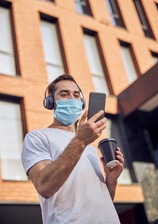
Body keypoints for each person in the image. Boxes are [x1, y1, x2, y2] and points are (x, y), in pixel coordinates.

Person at [22, 74, 124, 224]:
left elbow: (104, 201)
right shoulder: (37, 137)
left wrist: (111, 179)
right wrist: (81, 140)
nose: (72, 98)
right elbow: (44, 187)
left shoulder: (89, 148)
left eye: (76, 95)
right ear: (50, 102)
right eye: (64, 94)